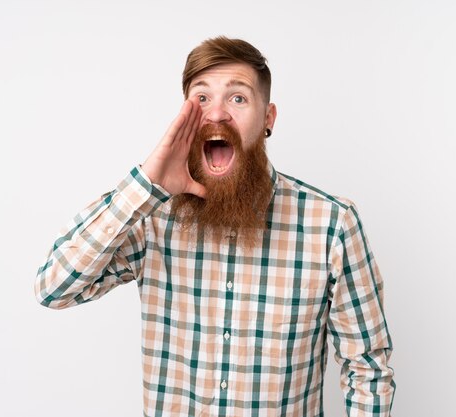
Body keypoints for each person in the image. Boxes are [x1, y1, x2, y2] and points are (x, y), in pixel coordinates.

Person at [35, 36, 395, 416]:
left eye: (237, 98)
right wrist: (146, 182)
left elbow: (367, 371)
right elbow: (54, 287)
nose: (217, 114)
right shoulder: (152, 217)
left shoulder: (331, 224)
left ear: (268, 118)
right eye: (202, 98)